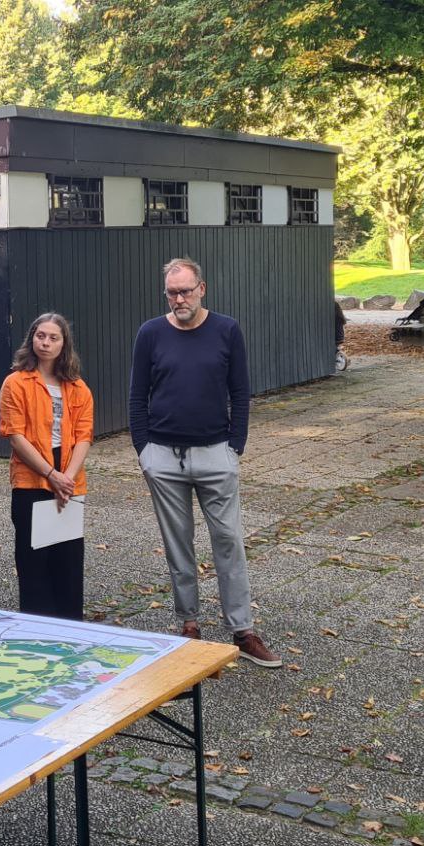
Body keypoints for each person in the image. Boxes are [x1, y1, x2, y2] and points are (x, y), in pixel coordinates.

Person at [129, 258, 279, 667]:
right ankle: (189, 623)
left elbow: (240, 389)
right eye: (172, 292)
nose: (179, 299)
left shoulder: (226, 330)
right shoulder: (151, 333)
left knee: (228, 541)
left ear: (202, 289)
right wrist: (144, 451)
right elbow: (137, 396)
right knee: (178, 546)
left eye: (186, 290)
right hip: (163, 455)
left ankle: (242, 629)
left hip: (216, 453)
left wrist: (236, 447)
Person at [0, 313, 94, 620]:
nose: (46, 343)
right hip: (31, 481)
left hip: (69, 483)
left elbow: (84, 436)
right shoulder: (15, 383)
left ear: (64, 344)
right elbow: (15, 435)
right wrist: (50, 474)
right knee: (34, 567)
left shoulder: (78, 388)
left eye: (53, 338)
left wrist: (67, 478)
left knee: (67, 566)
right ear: (31, 339)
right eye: (41, 336)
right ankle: (36, 636)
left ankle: (71, 633)